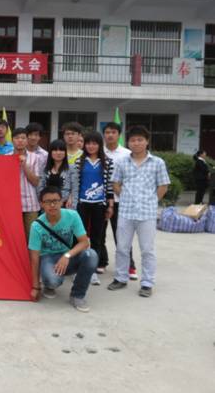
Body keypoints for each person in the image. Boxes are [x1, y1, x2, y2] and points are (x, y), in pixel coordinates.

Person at [108, 125, 170, 298]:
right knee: (122, 247)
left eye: (140, 140)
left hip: (147, 214)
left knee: (147, 250)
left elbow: (163, 186)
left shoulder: (157, 162)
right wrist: (125, 196)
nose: (136, 143)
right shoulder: (122, 162)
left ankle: (147, 283)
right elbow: (115, 183)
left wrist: (151, 201)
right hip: (126, 212)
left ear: (147, 141)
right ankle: (120, 278)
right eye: (133, 140)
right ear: (128, 142)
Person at [29, 186, 98, 313]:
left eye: (56, 201)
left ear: (62, 201)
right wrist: (35, 287)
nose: (52, 205)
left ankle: (77, 295)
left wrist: (67, 256)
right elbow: (34, 258)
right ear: (41, 204)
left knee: (91, 255)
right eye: (48, 202)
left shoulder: (72, 215)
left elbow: (84, 242)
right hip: (48, 258)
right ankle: (49, 285)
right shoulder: (36, 226)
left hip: (67, 255)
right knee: (52, 281)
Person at [73, 131, 115, 286]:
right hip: (82, 204)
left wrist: (110, 205)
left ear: (99, 145)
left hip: (99, 205)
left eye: (94, 143)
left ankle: (92, 269)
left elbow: (109, 186)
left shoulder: (108, 162)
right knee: (79, 237)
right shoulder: (79, 162)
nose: (91, 146)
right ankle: (78, 267)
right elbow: (76, 184)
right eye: (88, 143)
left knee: (97, 238)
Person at [102, 122, 137, 279]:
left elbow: (132, 176)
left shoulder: (127, 153)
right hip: (101, 199)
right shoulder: (99, 151)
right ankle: (101, 262)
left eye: (113, 132)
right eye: (107, 132)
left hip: (121, 200)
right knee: (99, 234)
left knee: (122, 235)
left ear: (119, 135)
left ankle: (129, 266)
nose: (110, 135)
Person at [13, 127, 40, 242]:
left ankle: (32, 255)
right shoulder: (5, 156)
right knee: (15, 238)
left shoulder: (35, 157)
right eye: (17, 138)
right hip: (12, 204)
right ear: (12, 140)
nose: (20, 140)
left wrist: (25, 166)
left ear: (27, 140)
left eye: (23, 138)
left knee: (32, 237)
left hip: (30, 204)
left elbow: (36, 181)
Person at [37, 139, 77, 208]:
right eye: (55, 150)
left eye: (61, 150)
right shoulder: (44, 169)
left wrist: (72, 199)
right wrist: (42, 202)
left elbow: (75, 188)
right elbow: (40, 187)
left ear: (65, 152)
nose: (58, 153)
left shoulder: (72, 168)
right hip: (48, 205)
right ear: (50, 152)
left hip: (65, 204)